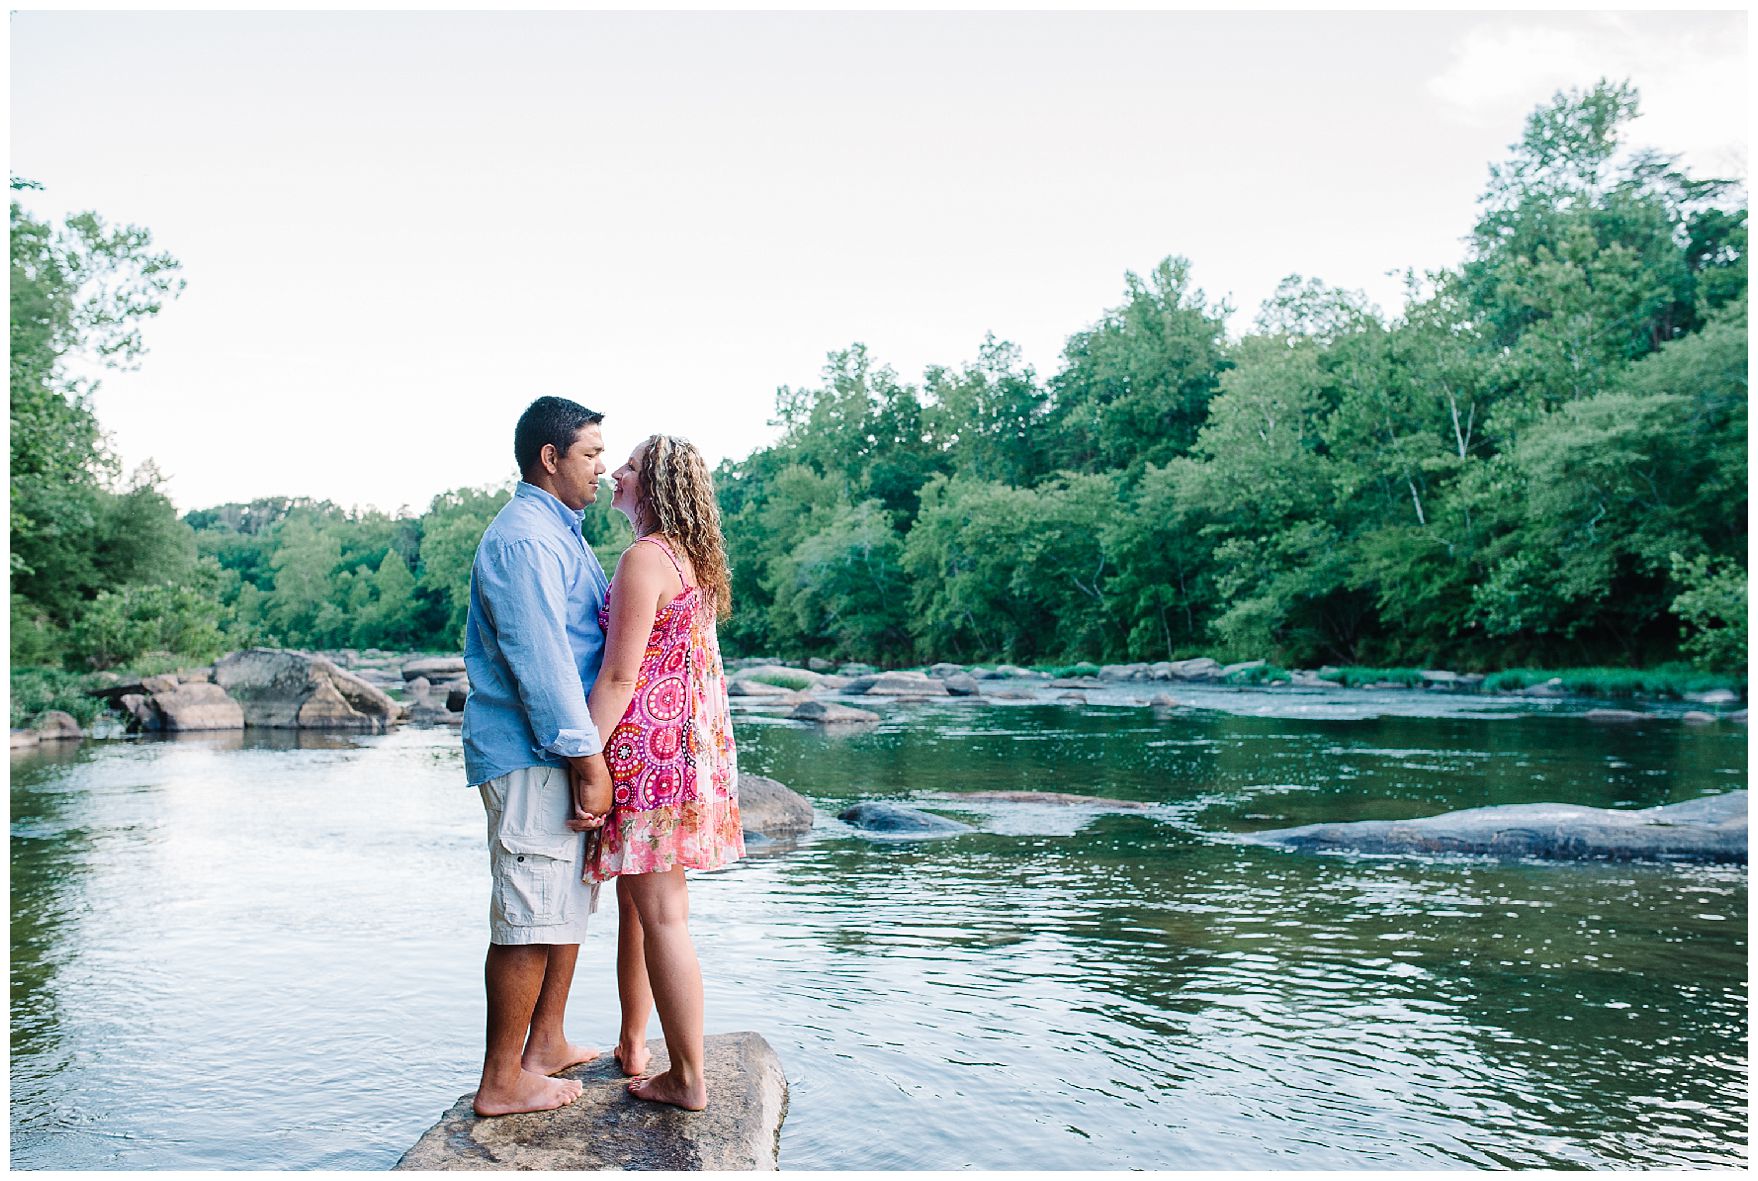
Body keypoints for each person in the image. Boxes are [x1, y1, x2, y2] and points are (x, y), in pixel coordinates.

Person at [566, 434, 744, 1111]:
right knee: (639, 910)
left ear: (655, 484)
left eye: (631, 465)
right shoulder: (689, 557)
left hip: (649, 759)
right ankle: (634, 1042)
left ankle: (688, 1076)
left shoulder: (645, 558)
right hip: (683, 753)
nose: (615, 470)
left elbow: (618, 676)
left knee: (662, 914)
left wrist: (579, 755)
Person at [461, 395, 617, 1117]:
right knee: (528, 910)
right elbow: (542, 659)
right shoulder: (525, 537)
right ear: (549, 458)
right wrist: (588, 758)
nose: (602, 468)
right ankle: (502, 1079)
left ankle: (545, 1042)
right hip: (531, 750)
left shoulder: (562, 529)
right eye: (589, 454)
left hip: (557, 748)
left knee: (565, 899)